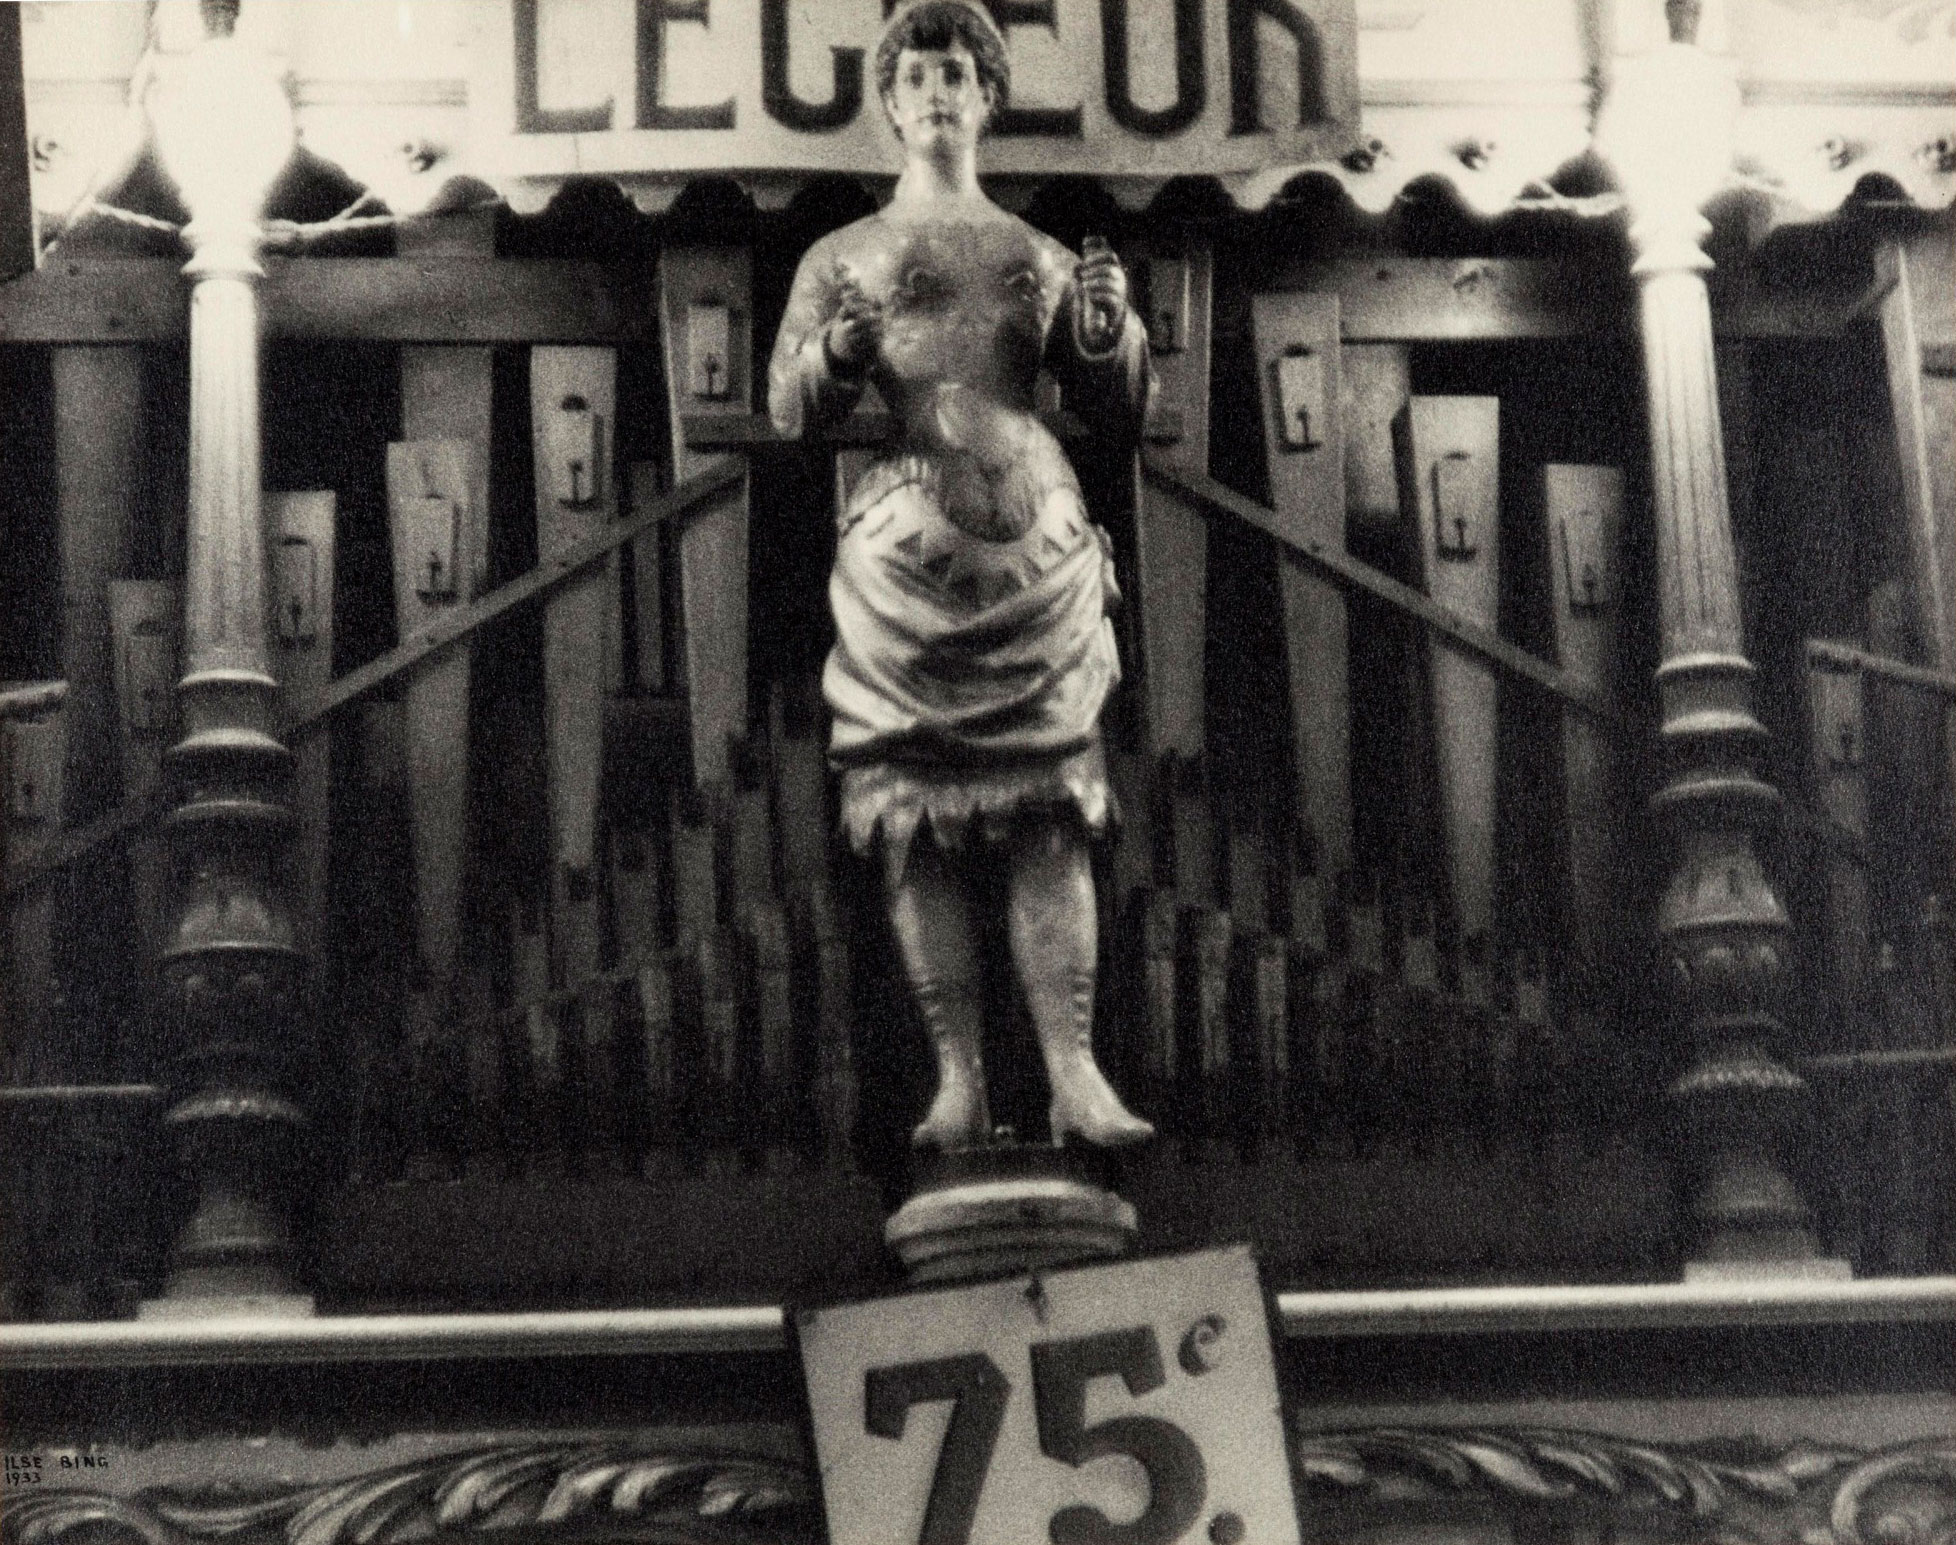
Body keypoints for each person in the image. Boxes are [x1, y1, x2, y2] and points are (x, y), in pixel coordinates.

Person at [767, 0, 1154, 1151]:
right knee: (914, 820)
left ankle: (1074, 1070)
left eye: (958, 73)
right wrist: (836, 353)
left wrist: (1109, 334)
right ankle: (958, 1080)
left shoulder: (1039, 254)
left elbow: (1125, 410)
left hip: (1038, 556)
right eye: (918, 74)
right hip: (905, 561)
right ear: (889, 105)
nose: (938, 91)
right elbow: (787, 409)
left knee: (1051, 812)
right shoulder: (840, 256)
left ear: (990, 97)